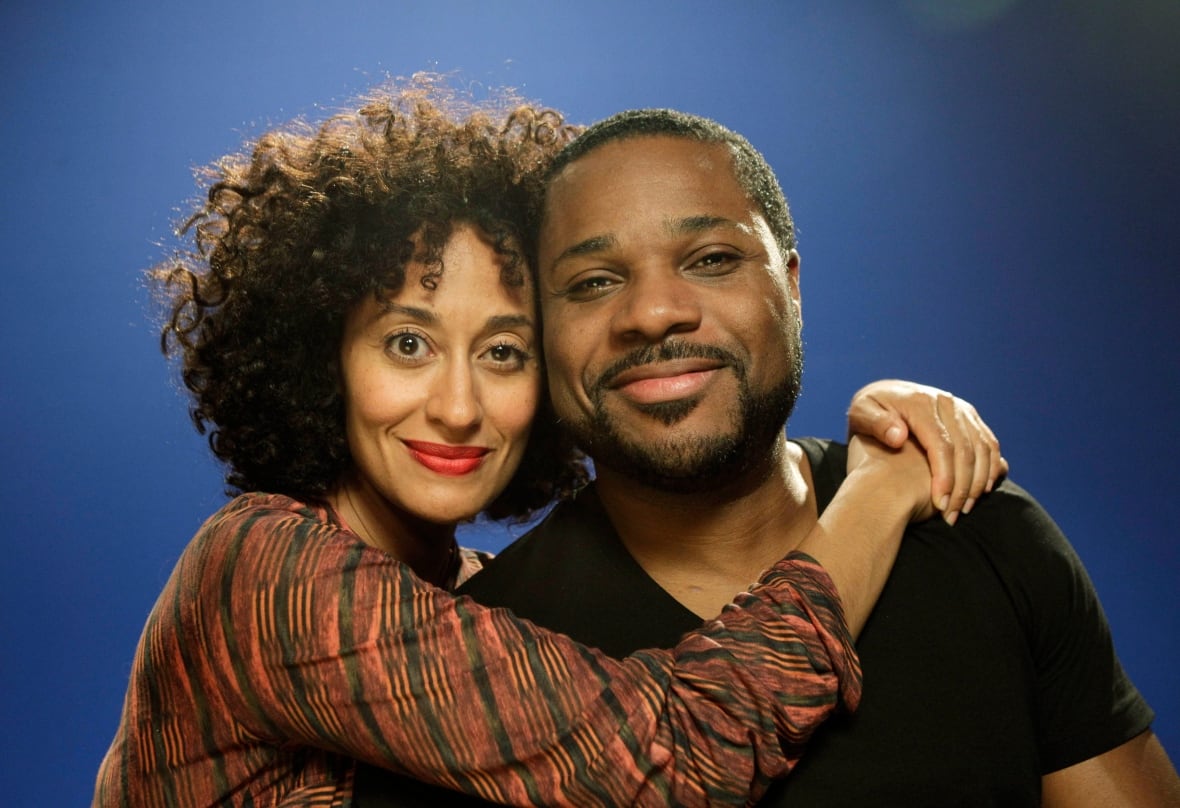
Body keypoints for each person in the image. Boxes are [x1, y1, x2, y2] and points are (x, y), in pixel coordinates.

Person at [93, 82, 1007, 808]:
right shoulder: (260, 570)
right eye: (407, 343)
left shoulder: (482, 597)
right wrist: (881, 484)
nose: (459, 407)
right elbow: (679, 754)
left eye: (503, 351)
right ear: (319, 356)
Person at [377, 109, 1180, 807]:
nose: (653, 312)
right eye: (592, 282)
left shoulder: (985, 533)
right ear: (539, 333)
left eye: (711, 260)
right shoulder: (482, 655)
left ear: (790, 287)